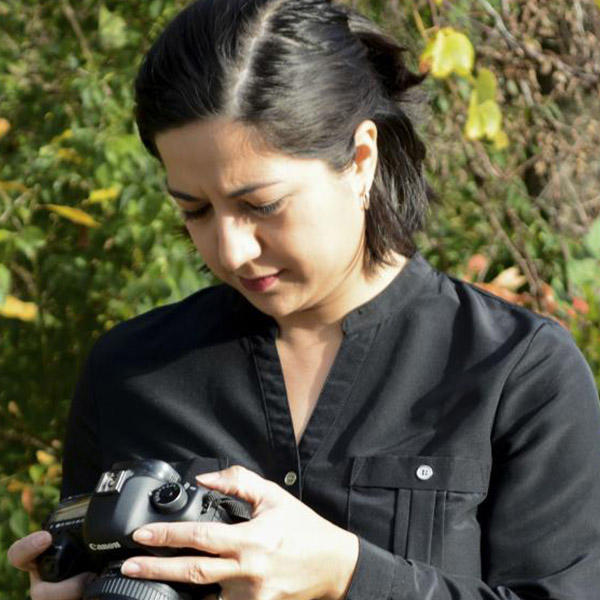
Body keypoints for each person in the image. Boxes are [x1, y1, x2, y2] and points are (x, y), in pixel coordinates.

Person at [8, 0, 600, 598]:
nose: (231, 249)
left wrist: (348, 574)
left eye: (261, 204)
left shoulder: (518, 372)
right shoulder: (130, 372)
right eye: (195, 210)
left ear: (360, 160)